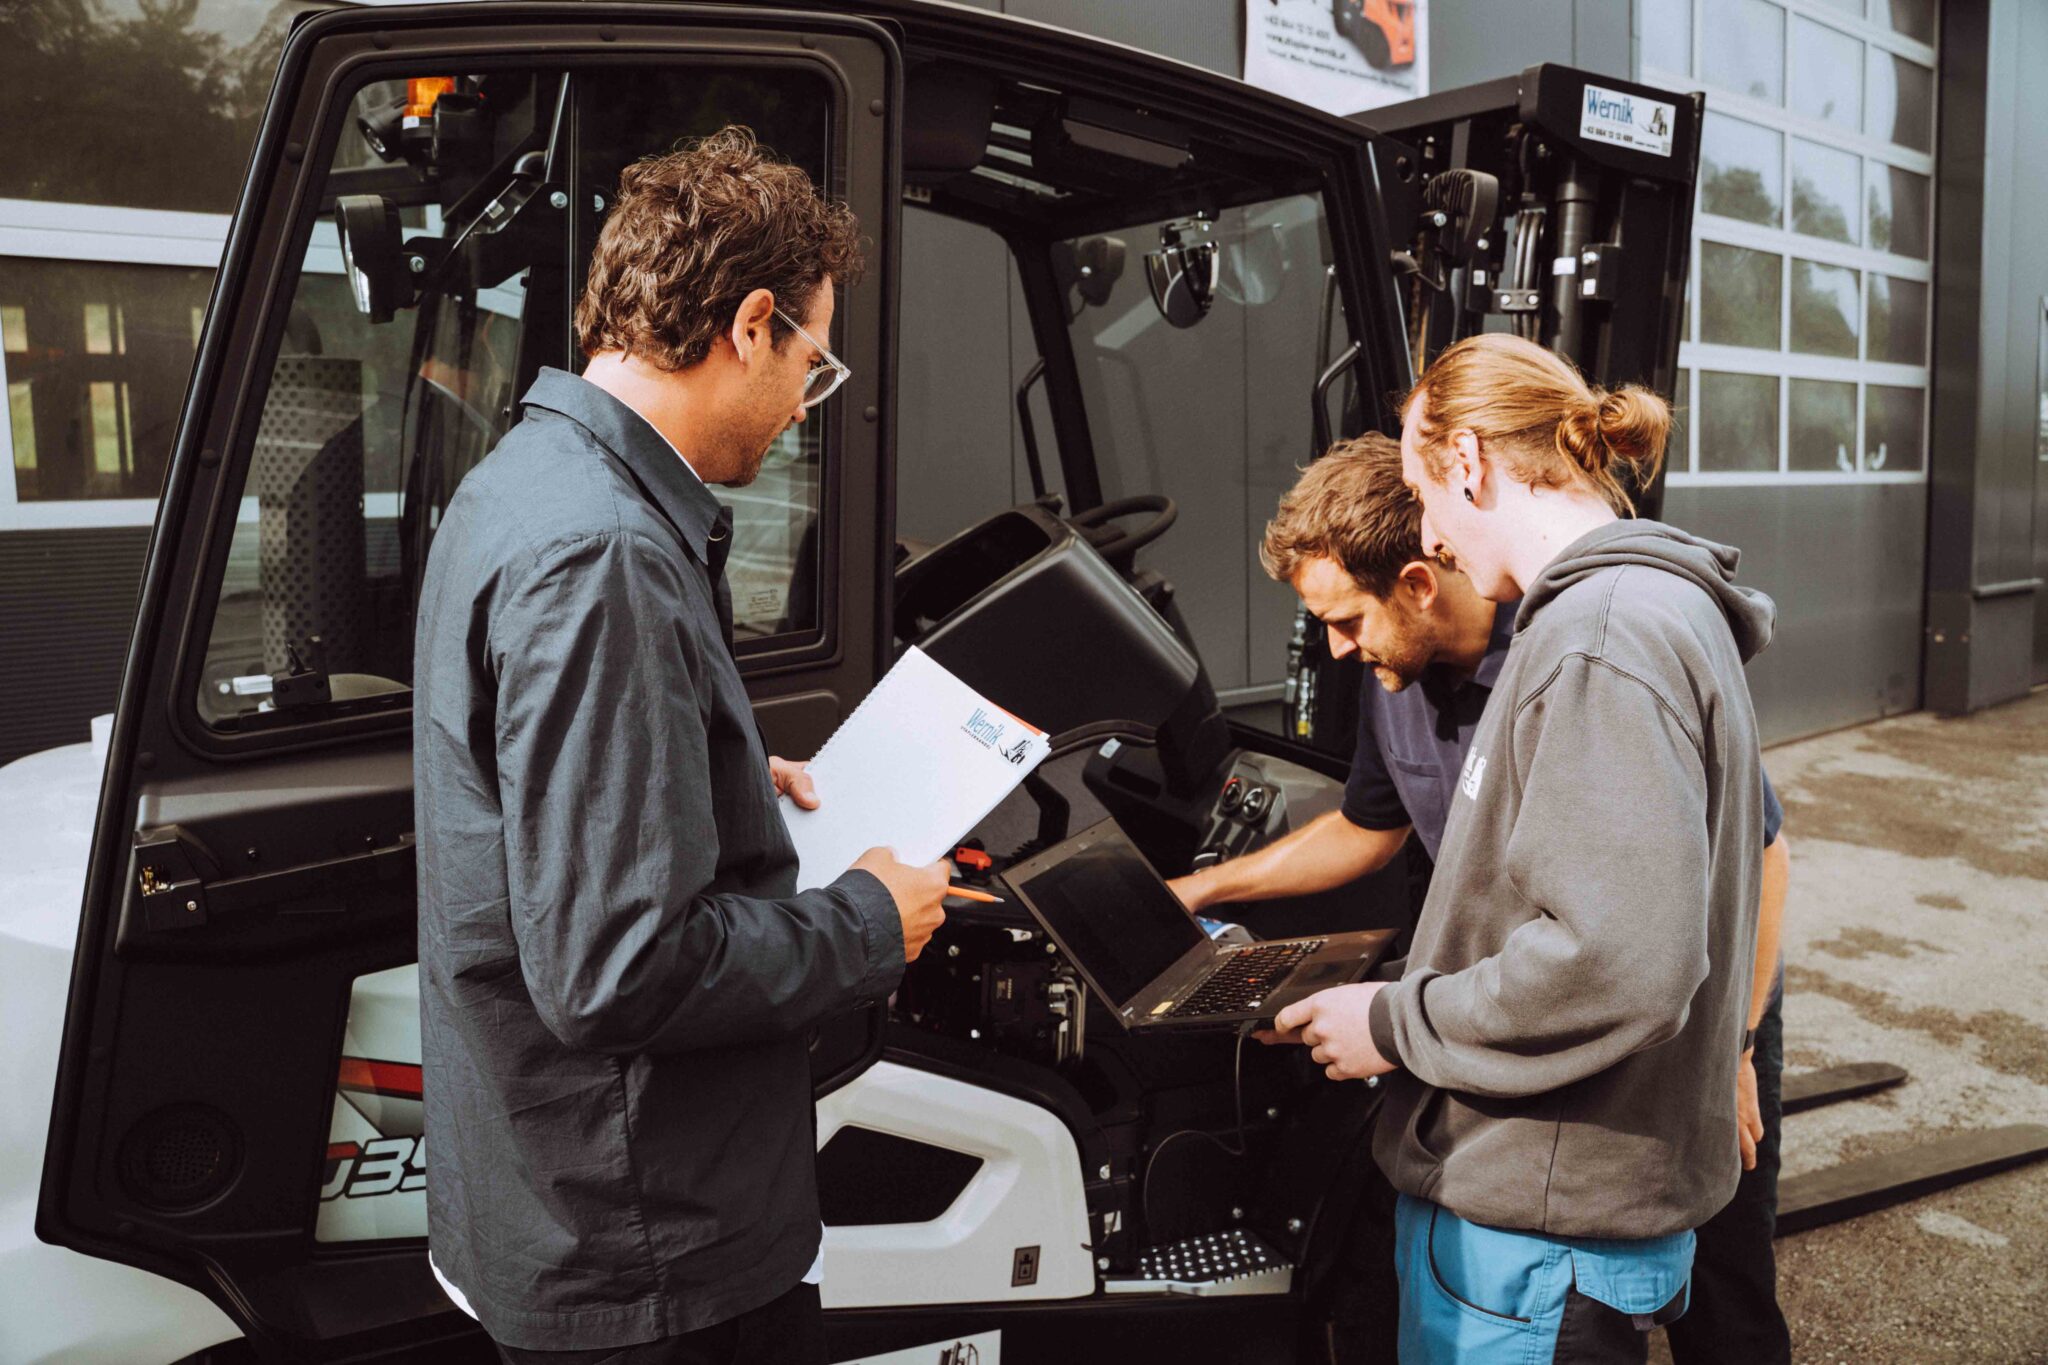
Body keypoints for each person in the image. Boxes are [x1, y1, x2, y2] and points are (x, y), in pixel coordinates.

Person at [411, 127, 951, 1364]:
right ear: (751, 323)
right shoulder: (601, 553)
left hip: (568, 1198)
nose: (801, 407)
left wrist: (690, 764)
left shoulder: (520, 486)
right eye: (812, 363)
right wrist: (872, 919)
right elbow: (616, 968)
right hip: (648, 1241)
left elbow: (514, 776)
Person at [1171, 431, 1791, 1362]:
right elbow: (1368, 827)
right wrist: (1201, 887)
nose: (1338, 650)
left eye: (1347, 621)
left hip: (1693, 1018)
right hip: (1514, 1017)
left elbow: (1762, 859)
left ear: (1420, 580)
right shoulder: (1400, 677)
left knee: (1726, 1294)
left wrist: (1735, 1048)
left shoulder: (1582, 658)